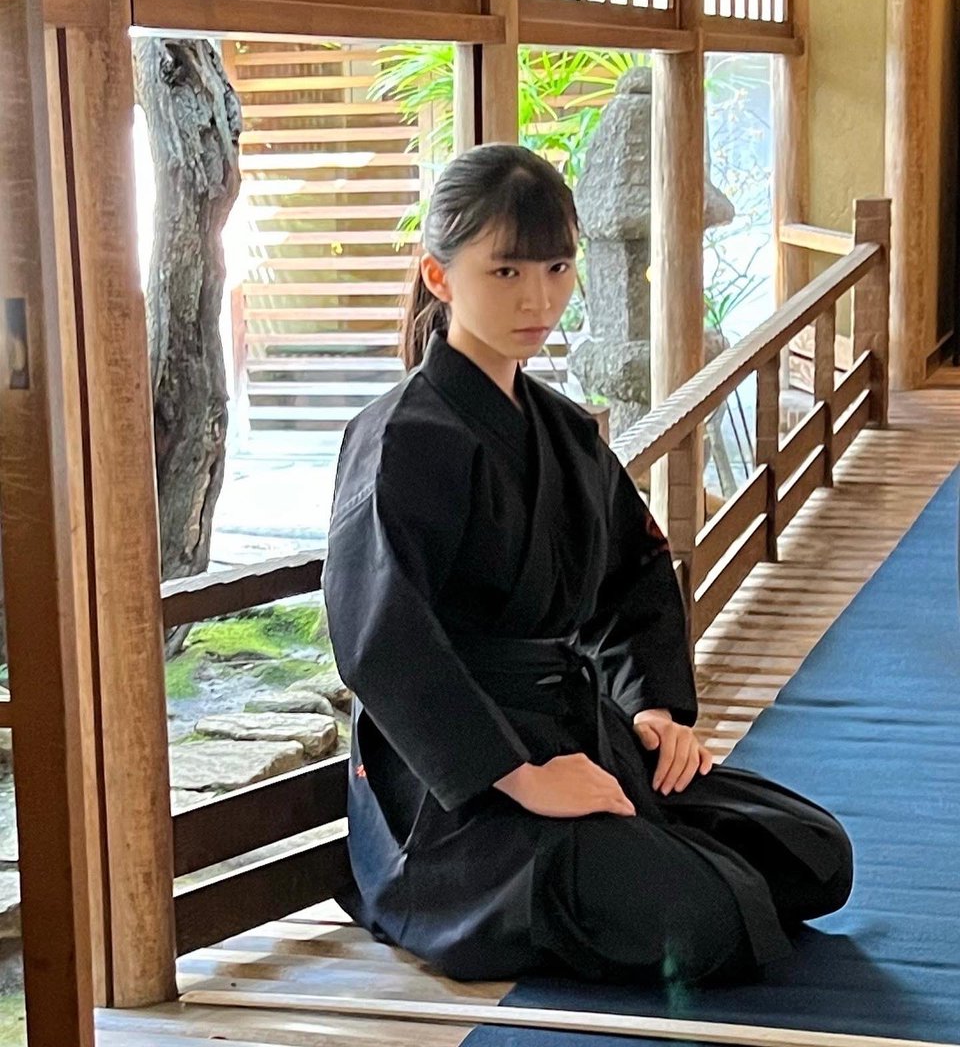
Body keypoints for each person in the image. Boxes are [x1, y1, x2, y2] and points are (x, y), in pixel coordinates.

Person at [322, 143, 853, 986]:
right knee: (706, 920)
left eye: (557, 268)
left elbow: (633, 572)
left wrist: (653, 709)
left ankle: (640, 847)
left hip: (579, 730)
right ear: (438, 276)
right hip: (455, 790)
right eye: (506, 272)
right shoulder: (400, 438)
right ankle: (557, 877)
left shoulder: (562, 429)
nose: (538, 299)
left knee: (817, 855)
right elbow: (381, 640)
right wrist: (521, 776)